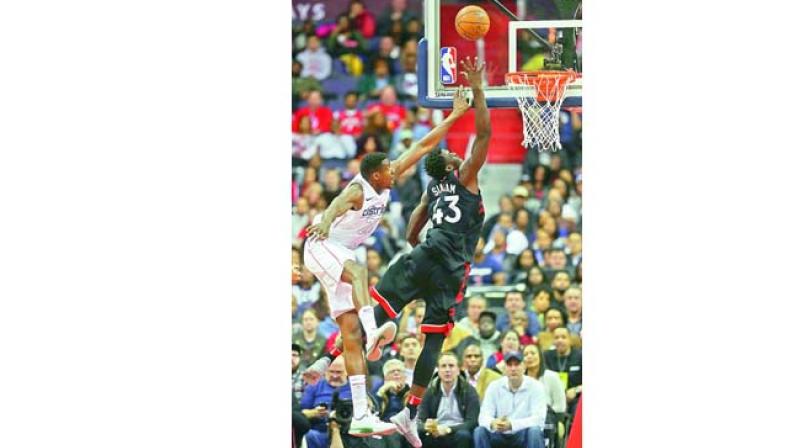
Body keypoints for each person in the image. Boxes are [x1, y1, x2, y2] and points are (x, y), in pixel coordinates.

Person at [301, 88, 470, 437]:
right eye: (387, 172)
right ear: (375, 175)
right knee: (362, 271)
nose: (394, 174)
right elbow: (335, 206)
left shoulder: (385, 177)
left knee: (350, 336)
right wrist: (326, 222)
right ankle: (375, 329)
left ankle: (361, 414)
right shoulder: (358, 189)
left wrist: (454, 117)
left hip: (340, 252)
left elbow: (423, 147)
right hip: (322, 243)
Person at [368, 58, 490, 448]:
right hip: (452, 267)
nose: (458, 156)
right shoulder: (465, 177)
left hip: (426, 252)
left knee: (386, 299)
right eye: (455, 156)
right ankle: (411, 409)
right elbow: (484, 137)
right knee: (434, 341)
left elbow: (410, 231)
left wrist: (420, 252)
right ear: (453, 165)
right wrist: (479, 90)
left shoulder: (431, 189)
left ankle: (373, 332)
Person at [474, 351, 547, 448]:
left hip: (523, 434)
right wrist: (493, 423)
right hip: (499, 434)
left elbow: (539, 419)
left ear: (524, 367)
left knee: (534, 431)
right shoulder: (494, 386)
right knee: (480, 431)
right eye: (509, 365)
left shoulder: (536, 386)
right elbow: (483, 416)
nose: (513, 369)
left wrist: (512, 425)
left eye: (517, 365)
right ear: (504, 368)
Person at [416, 352, 480, 448]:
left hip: (458, 431)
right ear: (438, 370)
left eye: (451, 366)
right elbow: (420, 419)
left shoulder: (468, 390)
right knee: (418, 435)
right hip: (436, 432)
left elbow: (472, 422)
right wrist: (426, 426)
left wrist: (448, 429)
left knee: (463, 435)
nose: (447, 370)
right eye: (443, 366)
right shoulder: (430, 391)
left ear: (458, 370)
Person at [543, 327, 582, 420]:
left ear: (570, 340)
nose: (560, 340)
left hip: (574, 398)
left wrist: (576, 390)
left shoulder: (581, 356)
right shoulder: (546, 356)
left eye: (563, 337)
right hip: (552, 398)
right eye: (556, 338)